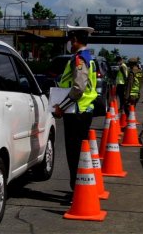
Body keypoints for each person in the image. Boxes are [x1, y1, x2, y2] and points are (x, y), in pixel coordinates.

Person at [53, 24, 98, 191]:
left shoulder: (80, 59)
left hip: (77, 111)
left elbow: (78, 88)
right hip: (83, 110)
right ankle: (80, 188)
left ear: (76, 40)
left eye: (71, 40)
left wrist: (61, 107)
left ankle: (78, 190)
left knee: (74, 155)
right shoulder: (88, 57)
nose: (70, 44)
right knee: (79, 153)